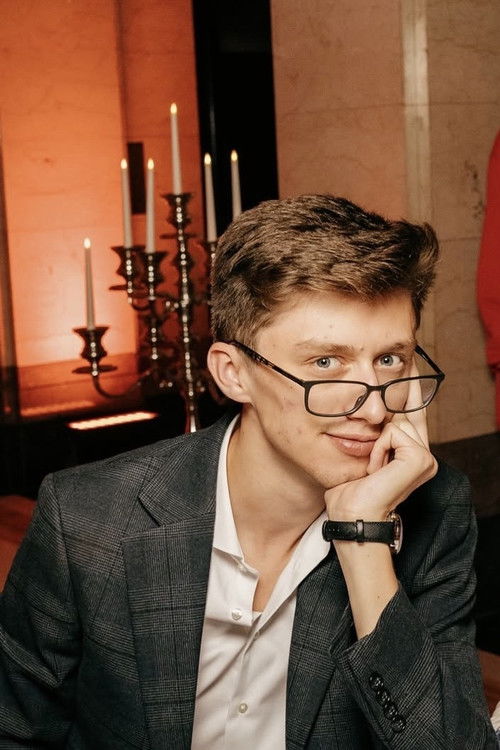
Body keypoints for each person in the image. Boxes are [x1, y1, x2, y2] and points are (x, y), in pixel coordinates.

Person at [0, 195, 496, 749]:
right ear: (233, 373)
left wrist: (364, 538)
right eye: (325, 363)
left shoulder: (434, 512)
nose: (376, 406)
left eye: (389, 360)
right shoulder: (87, 517)